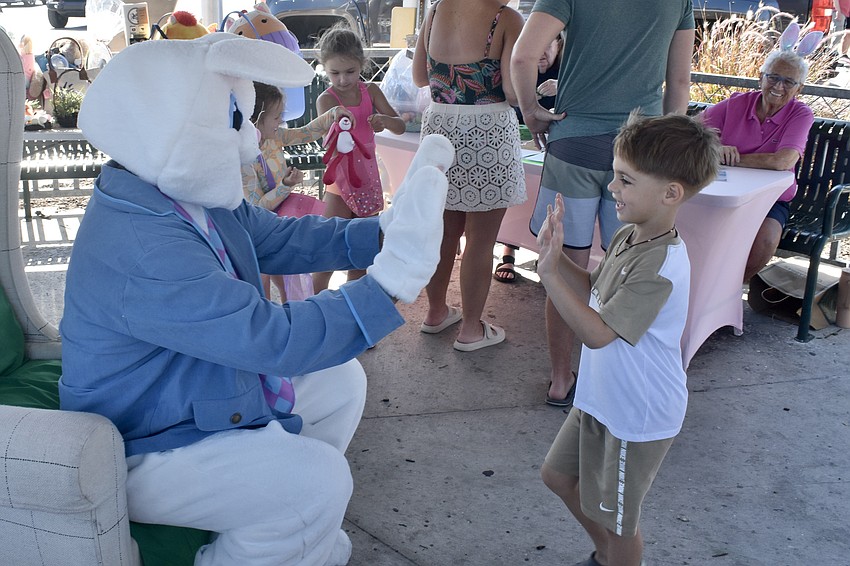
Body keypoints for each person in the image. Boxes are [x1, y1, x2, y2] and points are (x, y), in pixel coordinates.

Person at [58, 33, 454, 566]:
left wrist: (382, 230)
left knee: (340, 382)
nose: (250, 143)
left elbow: (278, 237)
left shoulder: (175, 187)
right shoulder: (143, 246)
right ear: (172, 124)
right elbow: (271, 339)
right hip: (137, 443)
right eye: (233, 122)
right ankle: (284, 524)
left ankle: (289, 531)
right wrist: (388, 286)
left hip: (184, 393)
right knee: (316, 483)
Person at [536, 113, 721, 566]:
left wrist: (546, 278)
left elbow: (597, 334)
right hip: (603, 399)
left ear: (670, 193)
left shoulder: (661, 265)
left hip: (636, 413)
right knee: (558, 477)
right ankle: (605, 557)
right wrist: (556, 261)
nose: (612, 188)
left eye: (625, 180)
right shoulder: (629, 235)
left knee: (621, 526)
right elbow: (594, 293)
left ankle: (614, 556)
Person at [511, 0, 694, 406]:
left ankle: (561, 380)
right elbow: (679, 84)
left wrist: (532, 112)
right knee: (627, 268)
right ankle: (613, 381)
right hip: (639, 154)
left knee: (560, 265)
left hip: (572, 144)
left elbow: (524, 55)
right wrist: (663, 150)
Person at [412, 0, 527, 351]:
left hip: (440, 126)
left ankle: (435, 313)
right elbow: (511, 89)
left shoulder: (435, 12)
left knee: (443, 233)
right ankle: (471, 329)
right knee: (481, 239)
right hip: (488, 130)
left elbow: (420, 77)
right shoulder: (505, 18)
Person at [700, 48, 815, 283]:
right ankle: (701, 287)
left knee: (766, 239)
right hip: (725, 194)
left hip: (771, 199)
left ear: (799, 89)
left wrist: (732, 158)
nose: (778, 86)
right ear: (760, 77)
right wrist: (714, 146)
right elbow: (692, 128)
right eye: (773, 77)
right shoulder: (738, 103)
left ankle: (729, 289)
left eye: (788, 82)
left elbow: (783, 161)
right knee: (695, 224)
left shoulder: (801, 114)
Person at [312, 26, 406, 293]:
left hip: (368, 178)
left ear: (362, 65)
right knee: (329, 245)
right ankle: (315, 300)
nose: (342, 79)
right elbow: (325, 142)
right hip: (339, 181)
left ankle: (352, 304)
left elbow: (399, 126)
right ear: (324, 69)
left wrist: (385, 120)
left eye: (350, 71)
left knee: (364, 246)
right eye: (334, 73)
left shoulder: (371, 92)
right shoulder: (326, 99)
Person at [242, 81, 353, 301]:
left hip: (280, 219)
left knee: (285, 273)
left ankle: (290, 308)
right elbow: (257, 207)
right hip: (259, 229)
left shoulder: (275, 137)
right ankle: (268, 319)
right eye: (276, 117)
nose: (281, 121)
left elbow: (305, 133)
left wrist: (333, 115)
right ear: (257, 119)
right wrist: (285, 185)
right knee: (262, 277)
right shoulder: (246, 157)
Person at [494, 34, 563, 284]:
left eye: (548, 45)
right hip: (522, 144)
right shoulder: (519, 68)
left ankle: (548, 259)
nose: (541, 53)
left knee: (551, 196)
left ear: (559, 44)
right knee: (512, 188)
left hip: (553, 146)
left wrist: (563, 86)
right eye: (536, 46)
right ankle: (508, 251)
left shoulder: (569, 71)